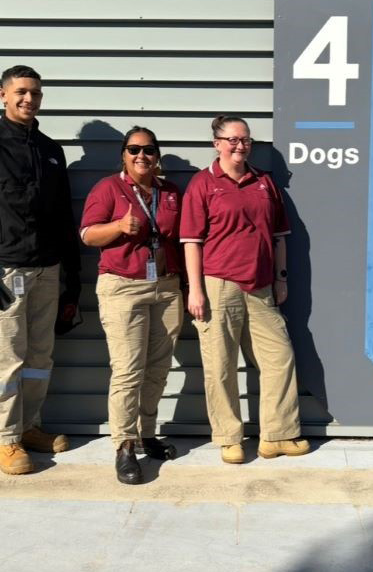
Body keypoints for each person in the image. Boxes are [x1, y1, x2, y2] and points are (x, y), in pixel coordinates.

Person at [0, 65, 81, 475]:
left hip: (47, 270)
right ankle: (5, 440)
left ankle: (28, 427)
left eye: (36, 93)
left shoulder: (50, 149)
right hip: (5, 272)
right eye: (21, 92)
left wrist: (70, 282)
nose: (29, 99)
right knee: (5, 359)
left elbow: (63, 217)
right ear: (2, 95)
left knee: (40, 357)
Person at [180, 115, 309, 464]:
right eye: (233, 139)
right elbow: (191, 242)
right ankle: (229, 438)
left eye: (246, 140)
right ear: (217, 143)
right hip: (219, 284)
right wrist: (195, 290)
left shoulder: (264, 183)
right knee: (220, 366)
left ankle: (277, 435)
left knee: (279, 358)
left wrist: (280, 278)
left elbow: (280, 237)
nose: (240, 145)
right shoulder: (202, 184)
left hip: (262, 286)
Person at [79, 127, 183, 485]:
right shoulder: (108, 188)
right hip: (123, 287)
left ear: (158, 155)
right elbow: (88, 234)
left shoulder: (169, 192)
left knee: (157, 367)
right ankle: (124, 445)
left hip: (167, 287)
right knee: (128, 369)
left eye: (149, 149)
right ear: (123, 155)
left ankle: (147, 433)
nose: (142, 156)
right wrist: (119, 226)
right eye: (134, 149)